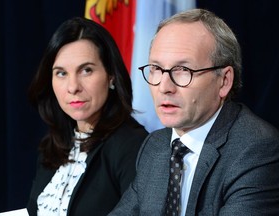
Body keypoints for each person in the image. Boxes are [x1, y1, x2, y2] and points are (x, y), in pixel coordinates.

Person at [108, 8, 279, 216]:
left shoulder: (256, 149)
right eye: (156, 69)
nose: (164, 87)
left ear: (224, 81)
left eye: (183, 71)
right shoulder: (155, 146)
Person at [26, 17, 148, 216]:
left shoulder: (133, 146)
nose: (73, 87)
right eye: (61, 73)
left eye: (86, 70)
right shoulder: (54, 146)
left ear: (111, 76)